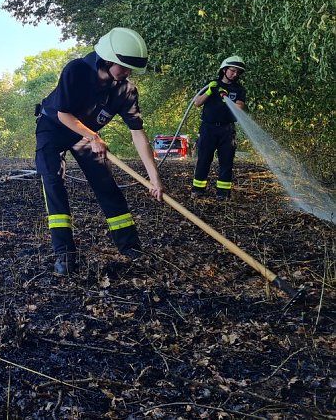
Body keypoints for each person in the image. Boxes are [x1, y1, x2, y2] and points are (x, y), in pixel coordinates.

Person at [35, 27, 164, 275]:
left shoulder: (126, 91)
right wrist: (93, 136)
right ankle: (64, 253)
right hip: (53, 127)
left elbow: (137, 133)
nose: (127, 73)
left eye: (130, 69)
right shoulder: (76, 71)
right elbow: (63, 115)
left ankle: (130, 247)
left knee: (105, 184)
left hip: (86, 136)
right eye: (124, 67)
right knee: (53, 180)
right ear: (108, 59)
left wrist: (154, 177)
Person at [191, 56, 247, 200]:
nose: (235, 74)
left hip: (227, 130)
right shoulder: (211, 84)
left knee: (226, 162)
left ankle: (223, 194)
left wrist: (227, 100)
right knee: (203, 160)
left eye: (238, 72)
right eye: (232, 71)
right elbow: (197, 103)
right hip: (208, 128)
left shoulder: (239, 89)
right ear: (224, 70)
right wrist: (209, 91)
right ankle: (197, 190)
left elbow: (240, 107)